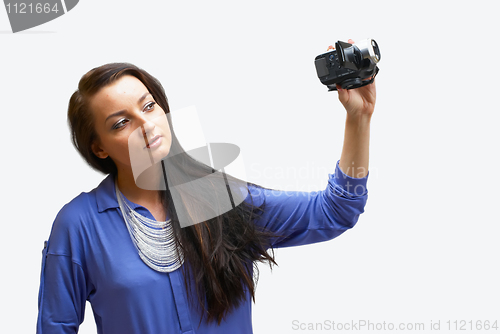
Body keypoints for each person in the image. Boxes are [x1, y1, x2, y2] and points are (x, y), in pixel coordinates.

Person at [36, 52, 375, 333]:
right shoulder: (79, 226)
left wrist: (358, 118)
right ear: (98, 147)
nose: (146, 124)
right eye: (121, 123)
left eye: (149, 106)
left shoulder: (217, 196)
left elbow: (335, 211)